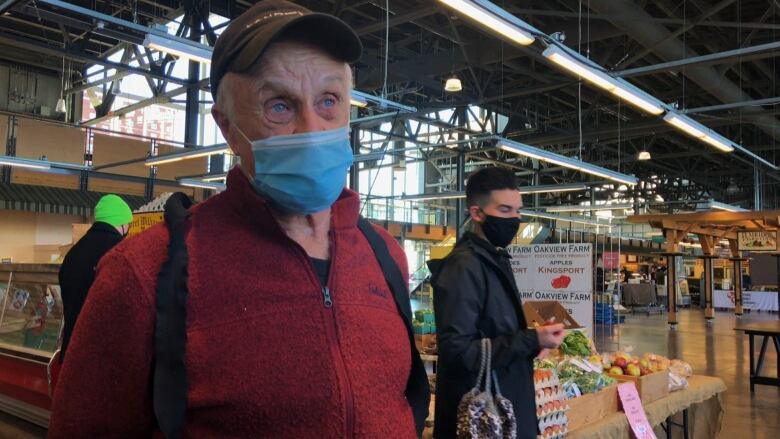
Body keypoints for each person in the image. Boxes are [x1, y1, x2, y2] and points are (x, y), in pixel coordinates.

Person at [48, 1, 428, 437]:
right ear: (227, 127)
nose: (311, 129)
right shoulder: (144, 276)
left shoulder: (385, 257)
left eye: (329, 101)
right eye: (279, 107)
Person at [428, 167, 565, 439]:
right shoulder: (464, 266)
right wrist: (529, 339)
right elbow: (456, 350)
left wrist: (535, 341)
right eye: (504, 210)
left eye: (518, 211)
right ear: (477, 213)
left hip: (505, 409)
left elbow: (493, 330)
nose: (515, 219)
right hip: (482, 420)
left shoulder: (494, 258)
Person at [57, 194, 132, 360]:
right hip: (103, 353)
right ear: (122, 223)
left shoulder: (73, 253)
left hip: (72, 349)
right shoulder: (122, 251)